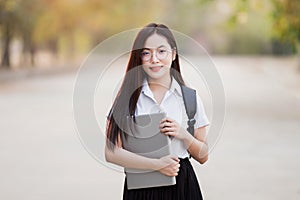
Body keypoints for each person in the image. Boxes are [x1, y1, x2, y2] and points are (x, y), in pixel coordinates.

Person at [105, 23, 209, 200]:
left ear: (174, 54)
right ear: (139, 57)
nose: (154, 59)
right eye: (146, 53)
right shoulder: (127, 98)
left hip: (182, 187)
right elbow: (111, 152)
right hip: (141, 188)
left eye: (162, 51)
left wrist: (183, 134)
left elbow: (203, 155)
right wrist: (156, 165)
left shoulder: (189, 98)